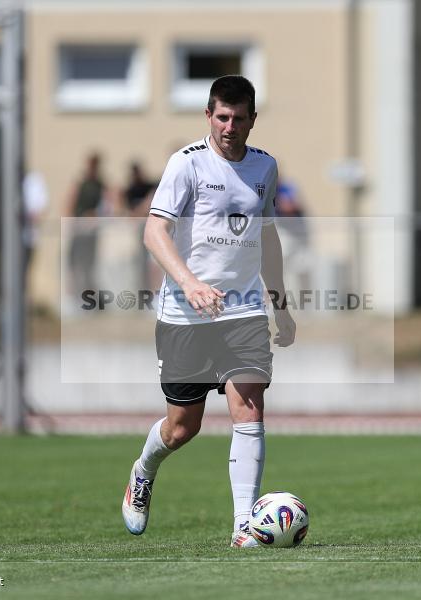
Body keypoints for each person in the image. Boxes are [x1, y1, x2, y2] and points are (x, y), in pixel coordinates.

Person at [120, 75, 296, 548]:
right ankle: (144, 469)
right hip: (185, 315)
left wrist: (280, 304)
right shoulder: (186, 165)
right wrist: (190, 284)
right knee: (183, 426)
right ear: (208, 115)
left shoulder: (265, 168)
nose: (229, 126)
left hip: (243, 312)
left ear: (252, 120)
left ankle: (244, 526)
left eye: (239, 118)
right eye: (222, 117)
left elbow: (268, 237)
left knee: (250, 405)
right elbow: (154, 232)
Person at [65, 153, 107, 300]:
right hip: (78, 231)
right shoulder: (81, 183)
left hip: (92, 233)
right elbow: (70, 203)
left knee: (89, 265)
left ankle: (88, 298)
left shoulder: (100, 185)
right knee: (75, 264)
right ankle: (73, 296)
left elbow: (108, 204)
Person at [122, 161, 158, 291]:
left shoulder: (150, 186)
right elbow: (131, 214)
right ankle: (144, 291)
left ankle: (155, 292)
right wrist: (142, 208)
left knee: (154, 265)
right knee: (140, 265)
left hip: (153, 232)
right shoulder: (130, 191)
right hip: (138, 234)